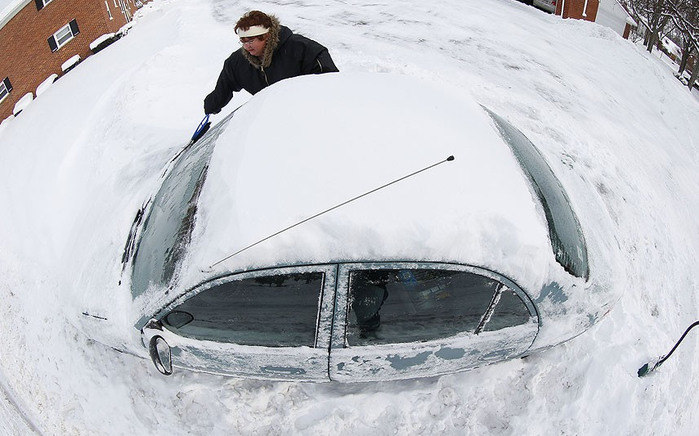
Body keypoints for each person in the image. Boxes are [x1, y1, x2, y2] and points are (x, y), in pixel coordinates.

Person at [204, 10, 339, 115]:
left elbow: (330, 85)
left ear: (266, 36)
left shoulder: (303, 49)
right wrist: (212, 105)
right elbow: (225, 86)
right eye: (243, 41)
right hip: (268, 118)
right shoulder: (238, 62)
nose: (247, 46)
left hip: (307, 113)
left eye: (251, 41)